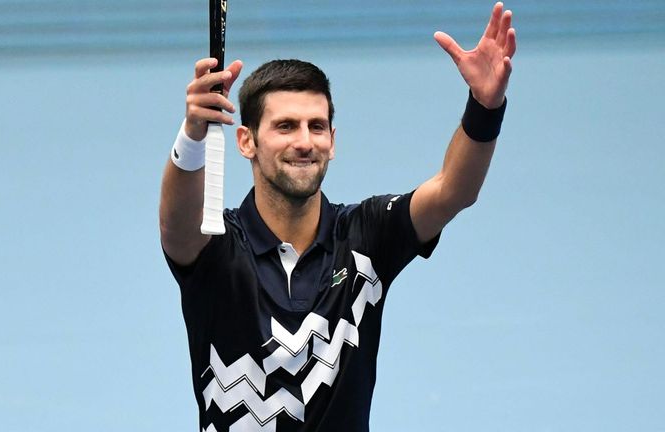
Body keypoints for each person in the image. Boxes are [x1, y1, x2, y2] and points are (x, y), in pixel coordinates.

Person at [160, 3, 516, 431]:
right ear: (246, 141)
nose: (305, 141)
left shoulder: (366, 234)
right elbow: (176, 225)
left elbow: (454, 191)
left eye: (317, 126)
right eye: (286, 126)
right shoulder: (218, 246)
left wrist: (485, 106)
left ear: (333, 140)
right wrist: (193, 133)